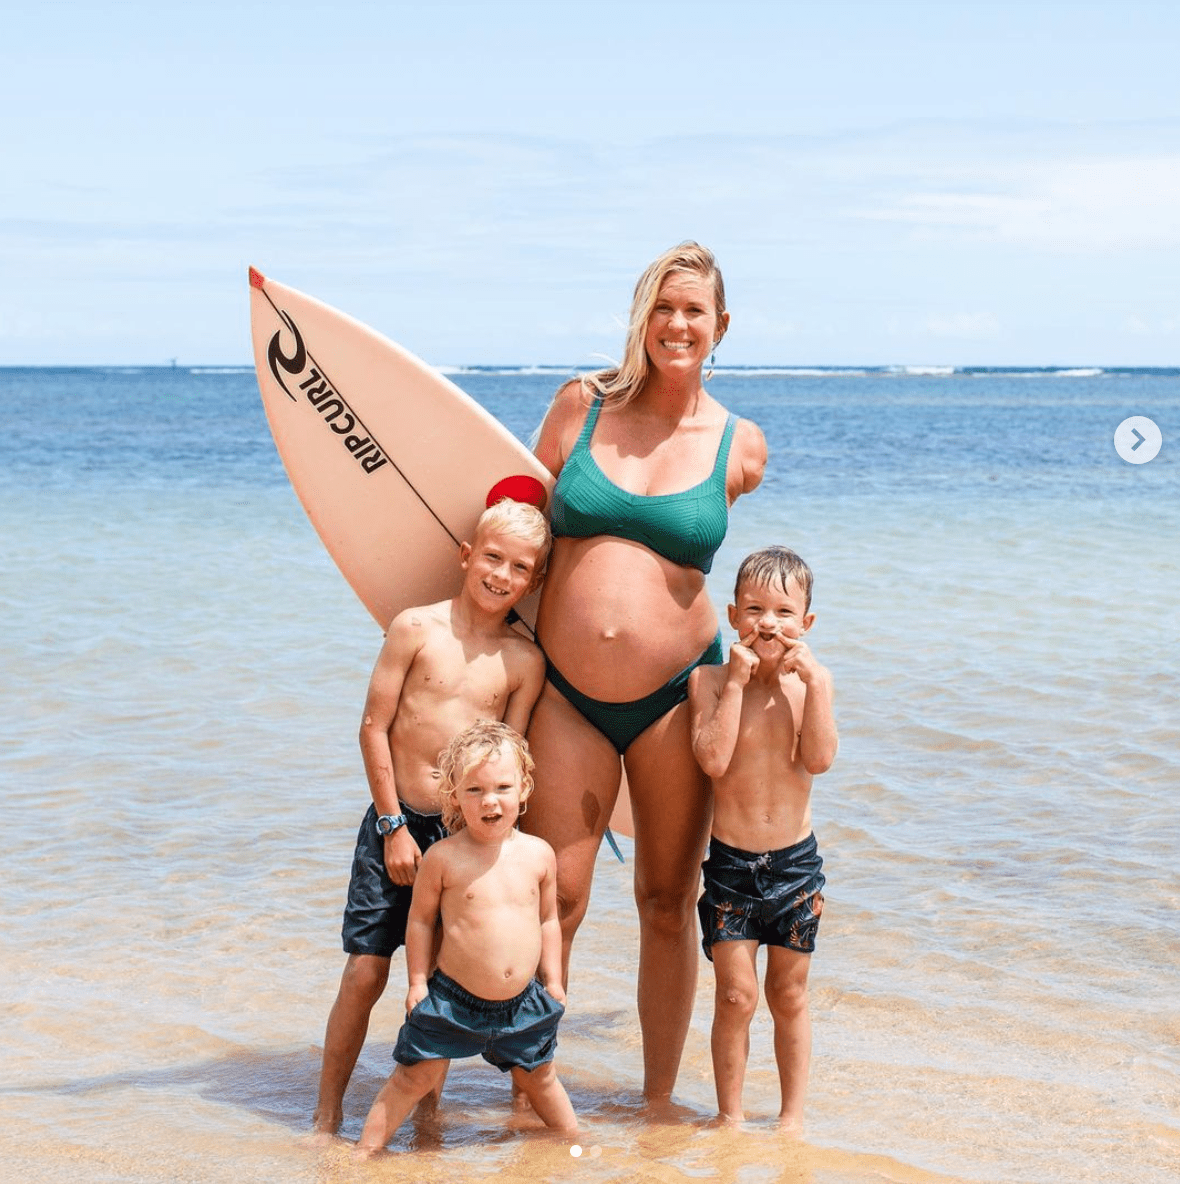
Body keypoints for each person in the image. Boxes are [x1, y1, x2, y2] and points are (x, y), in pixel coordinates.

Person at [524, 242, 767, 1104]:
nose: (677, 324)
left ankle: (658, 1107)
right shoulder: (577, 407)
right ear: (641, 317)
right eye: (663, 308)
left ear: (722, 327)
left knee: (669, 900)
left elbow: (733, 588)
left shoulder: (741, 446)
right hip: (565, 693)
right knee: (556, 896)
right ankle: (530, 1094)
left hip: (678, 697)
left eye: (694, 310)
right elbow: (516, 527)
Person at [312, 499, 551, 1136]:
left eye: (521, 568)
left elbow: (510, 761)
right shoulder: (415, 628)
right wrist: (391, 826)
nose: (502, 574)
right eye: (493, 557)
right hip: (397, 819)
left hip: (463, 838)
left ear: (534, 581)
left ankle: (427, 1122)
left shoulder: (524, 662)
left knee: (442, 986)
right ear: (466, 555)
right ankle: (327, 1109)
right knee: (366, 971)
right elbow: (373, 729)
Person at [356, 720, 577, 1154]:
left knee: (542, 1078)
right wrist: (418, 982)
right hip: (452, 1000)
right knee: (412, 1077)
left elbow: (549, 920)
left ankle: (576, 1145)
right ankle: (363, 1153)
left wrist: (552, 981)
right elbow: (419, 922)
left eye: (502, 787)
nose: (489, 800)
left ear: (525, 789)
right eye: (474, 791)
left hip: (523, 1002)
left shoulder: (539, 855)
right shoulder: (443, 858)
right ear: (454, 796)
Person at [687, 546, 837, 1132]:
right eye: (753, 608)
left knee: (789, 995)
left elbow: (820, 759)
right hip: (730, 867)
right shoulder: (709, 681)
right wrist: (736, 686)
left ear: (807, 623)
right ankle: (730, 1115)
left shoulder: (811, 686)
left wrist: (817, 684)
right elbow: (713, 761)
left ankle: (792, 1117)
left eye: (782, 611)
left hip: (796, 868)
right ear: (732, 615)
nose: (766, 622)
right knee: (735, 996)